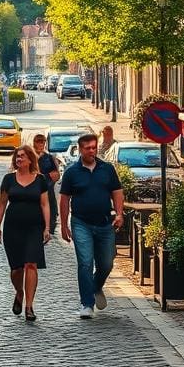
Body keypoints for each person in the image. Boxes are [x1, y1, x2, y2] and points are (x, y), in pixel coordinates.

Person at [59, 133, 124, 320]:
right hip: (81, 223)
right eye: (87, 148)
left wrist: (119, 213)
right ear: (80, 149)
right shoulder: (72, 172)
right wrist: (64, 225)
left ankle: (96, 286)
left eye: (94, 147)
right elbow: (64, 200)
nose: (92, 151)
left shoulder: (107, 169)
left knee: (106, 263)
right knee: (85, 263)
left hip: (105, 223)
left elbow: (117, 192)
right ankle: (87, 303)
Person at [0, 145, 50, 321]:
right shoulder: (9, 179)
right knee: (16, 269)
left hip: (34, 227)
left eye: (22, 156)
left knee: (31, 264)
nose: (19, 159)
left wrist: (47, 228)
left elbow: (45, 204)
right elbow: (2, 203)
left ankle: (29, 306)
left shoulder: (40, 180)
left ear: (30, 160)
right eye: (17, 157)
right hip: (13, 227)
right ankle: (19, 292)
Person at [33, 132, 60, 235]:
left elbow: (56, 174)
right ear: (34, 143)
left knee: (50, 211)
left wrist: (51, 177)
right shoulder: (30, 157)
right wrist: (47, 176)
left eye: (43, 142)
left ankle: (48, 229)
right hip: (34, 191)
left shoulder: (49, 157)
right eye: (38, 142)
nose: (41, 145)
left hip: (48, 191)